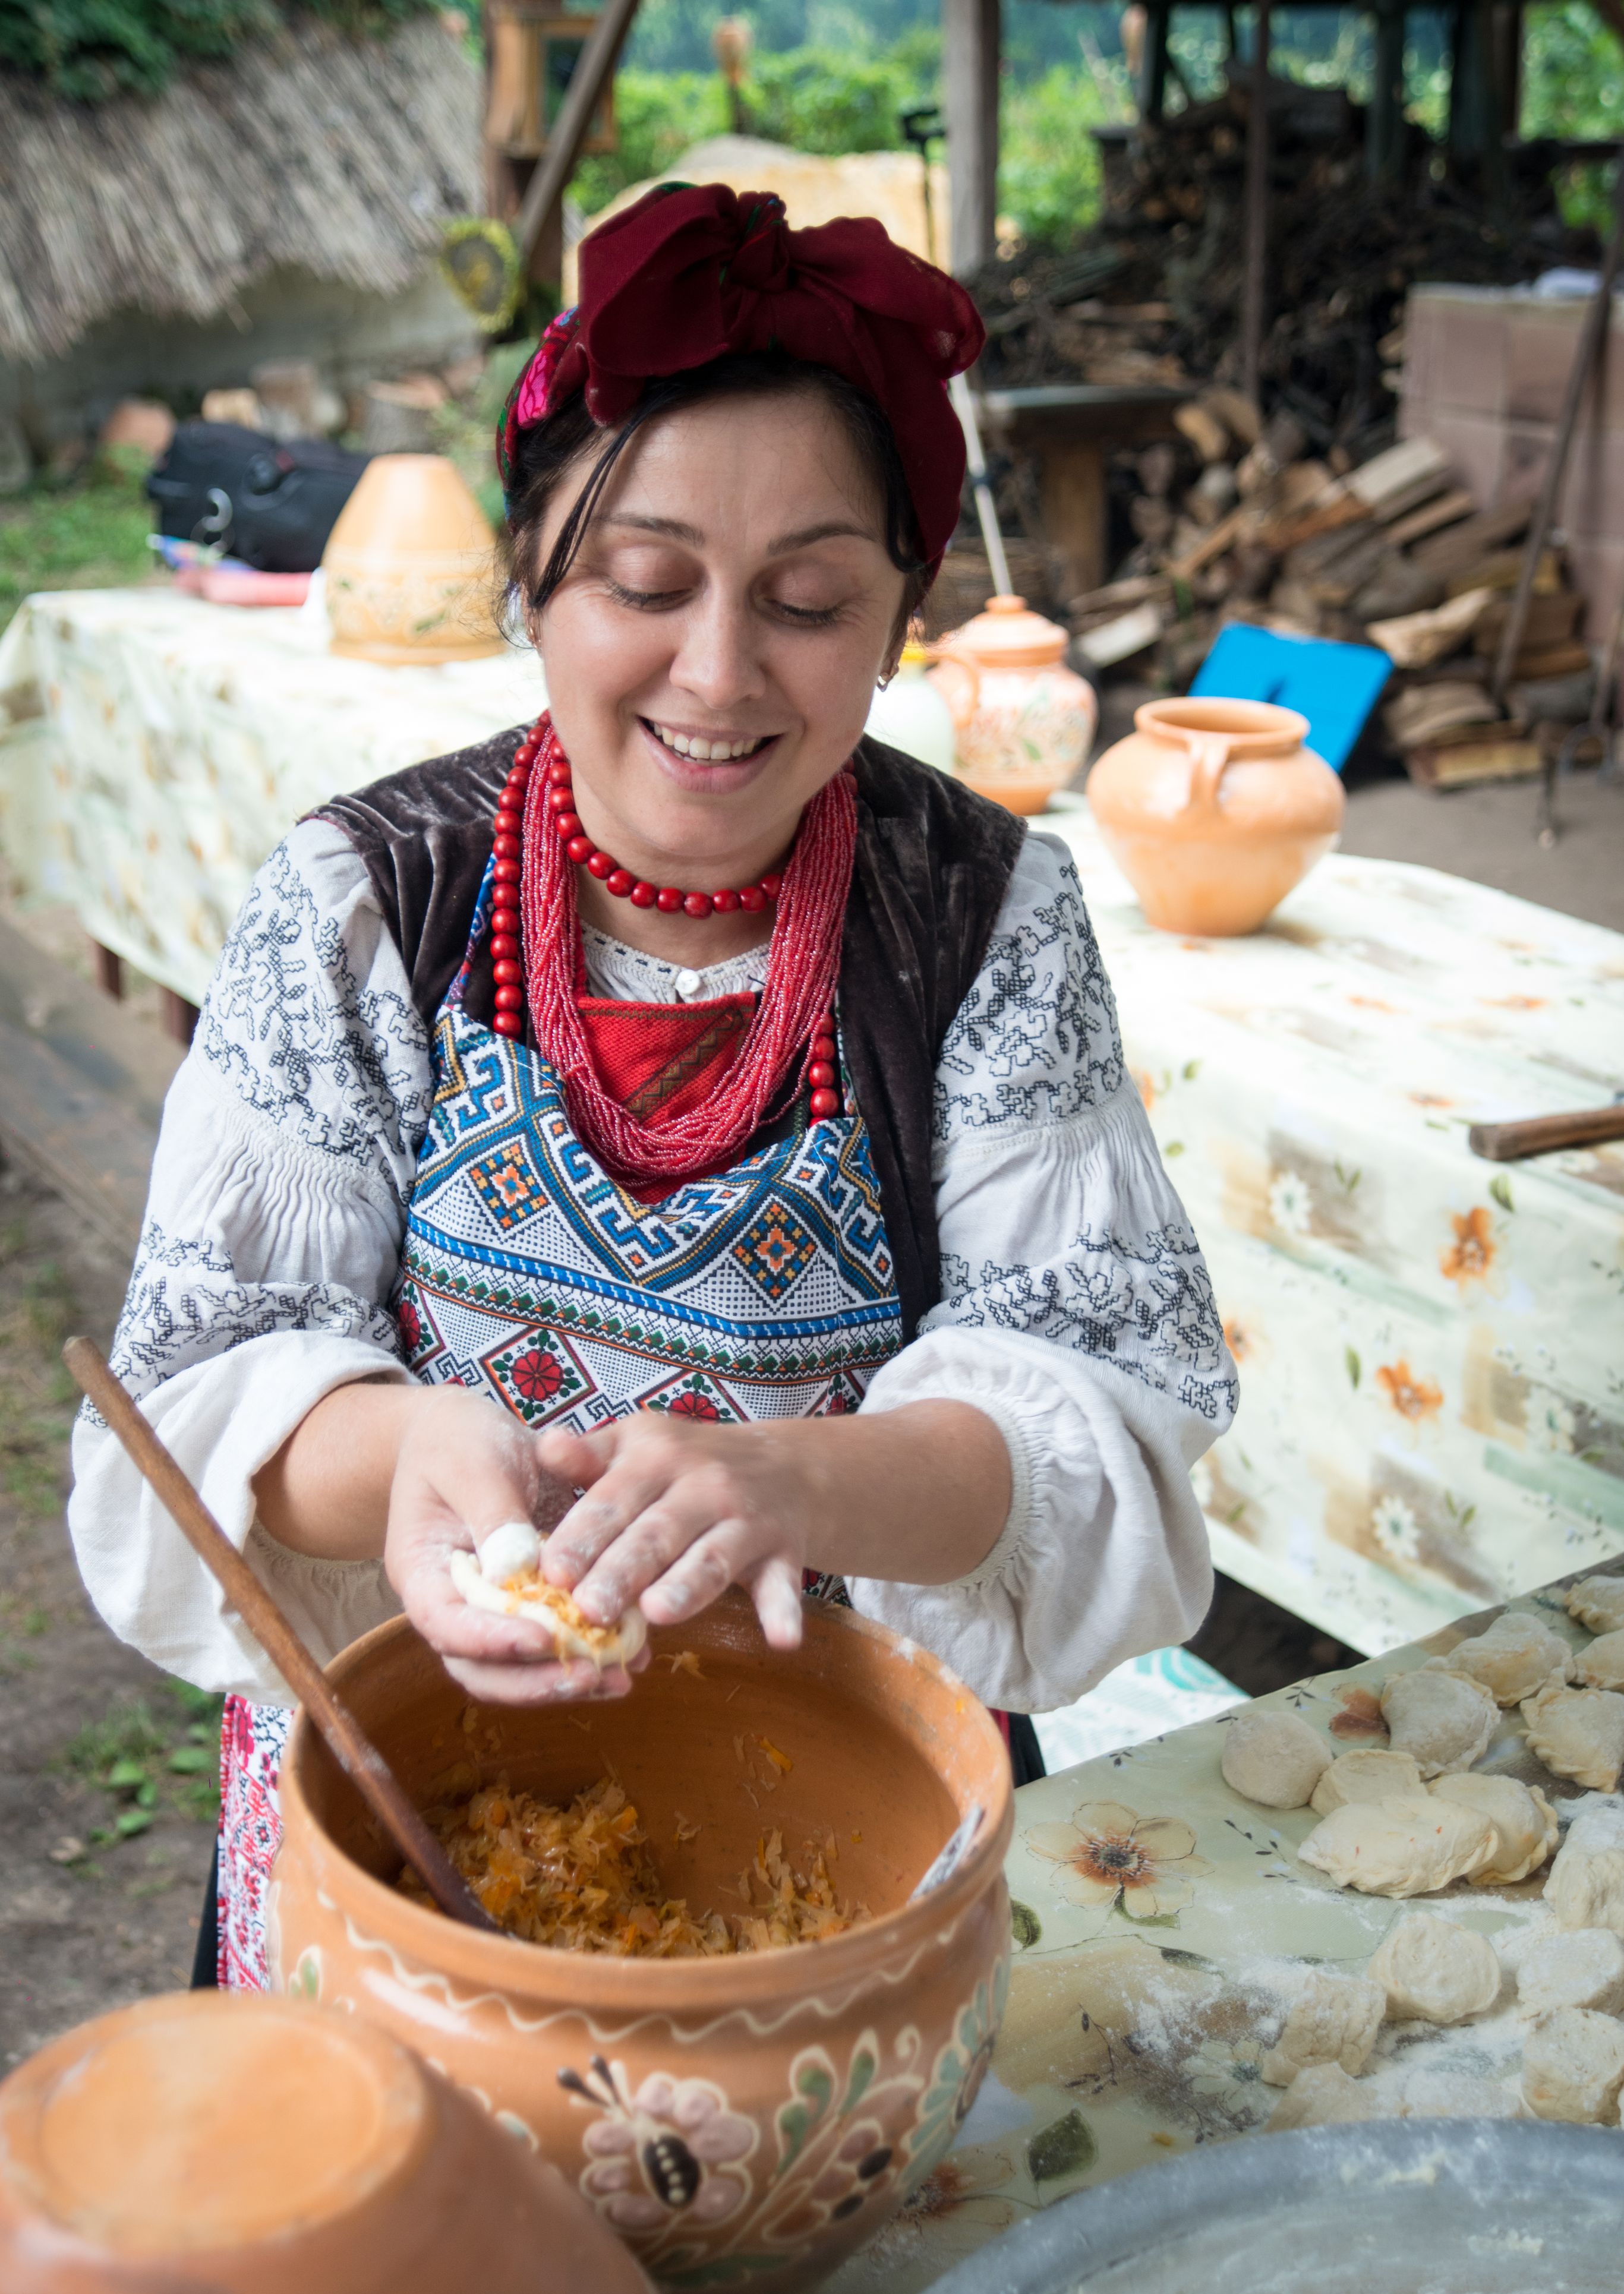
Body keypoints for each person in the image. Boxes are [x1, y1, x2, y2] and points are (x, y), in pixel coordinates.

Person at [69, 185, 1237, 1990]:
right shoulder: (370, 895)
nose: (716, 673)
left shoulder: (982, 917)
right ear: (533, 572)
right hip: (420, 1788)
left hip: (843, 1803)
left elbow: (1093, 1415)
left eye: (810, 601)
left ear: (901, 615)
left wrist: (801, 1487)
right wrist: (409, 1452)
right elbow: (203, 1383)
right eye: (643, 582)